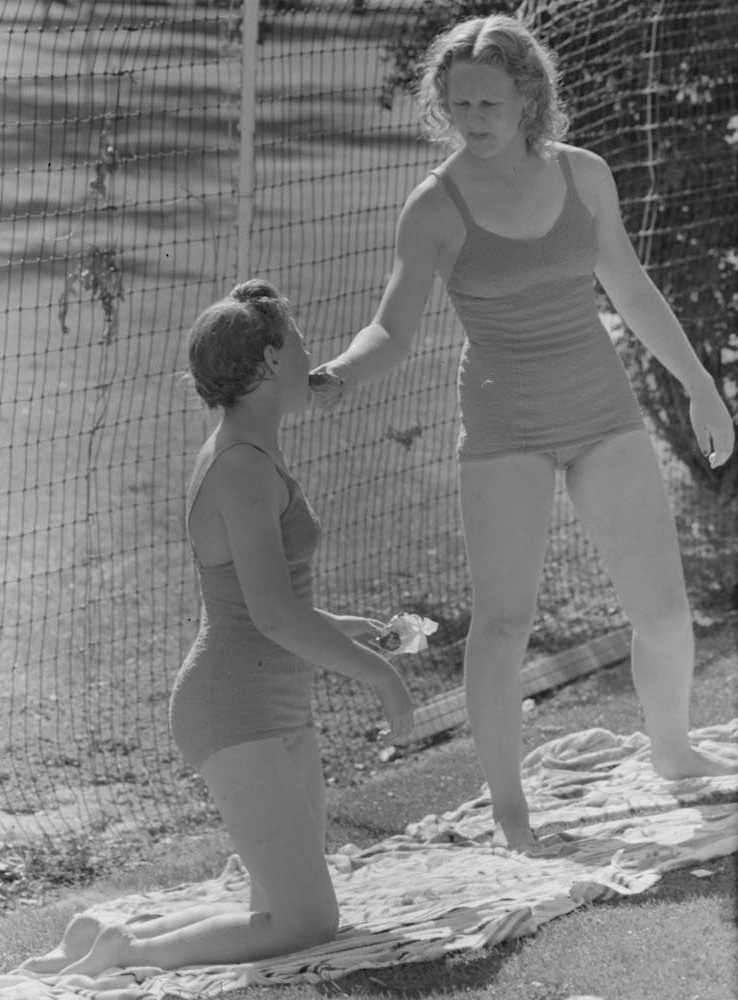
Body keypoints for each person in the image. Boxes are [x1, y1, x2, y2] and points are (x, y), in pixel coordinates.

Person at [311, 14, 737, 851]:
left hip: (602, 409)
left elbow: (633, 289)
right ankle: (510, 809)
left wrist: (702, 387)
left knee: (664, 611)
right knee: (503, 625)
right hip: (505, 425)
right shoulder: (435, 204)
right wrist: (337, 373)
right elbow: (392, 329)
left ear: (529, 96)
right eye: (459, 101)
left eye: (489, 102)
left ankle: (675, 750)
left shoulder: (584, 177)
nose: (473, 116)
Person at [22, 280, 414, 977]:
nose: (309, 354)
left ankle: (103, 930)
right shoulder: (240, 468)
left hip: (271, 703)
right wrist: (378, 676)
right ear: (267, 360)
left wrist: (350, 629)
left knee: (277, 905)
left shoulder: (253, 452)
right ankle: (128, 955)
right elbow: (269, 615)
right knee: (307, 920)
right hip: (234, 709)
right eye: (297, 343)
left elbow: (264, 602)